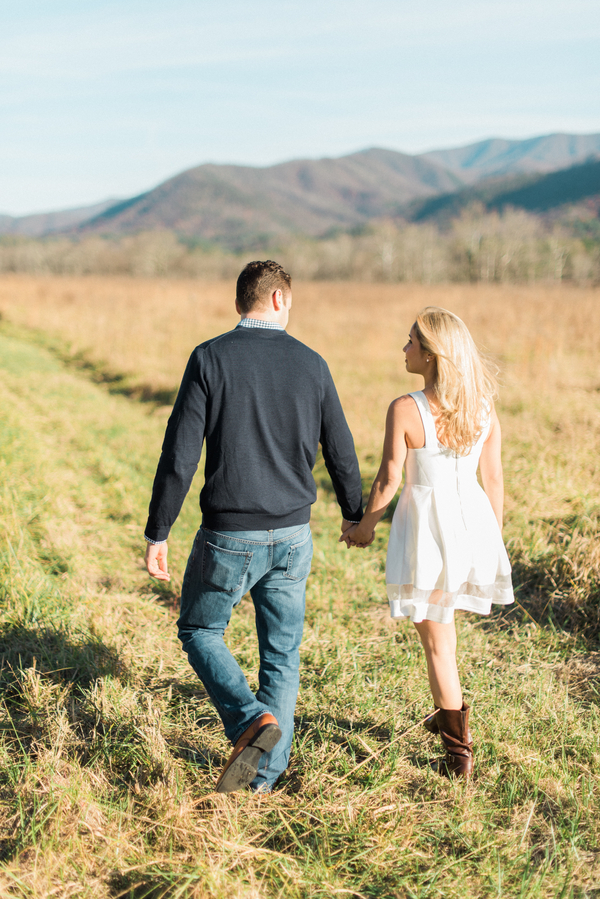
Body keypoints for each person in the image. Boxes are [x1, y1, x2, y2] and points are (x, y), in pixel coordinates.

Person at [144, 261, 363, 794]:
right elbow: (341, 448)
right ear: (281, 300)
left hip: (229, 535)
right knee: (281, 656)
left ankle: (248, 721)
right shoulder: (312, 364)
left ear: (242, 301)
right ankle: (263, 780)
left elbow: (180, 454)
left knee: (199, 630)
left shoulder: (210, 358)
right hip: (293, 535)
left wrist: (159, 529)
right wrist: (354, 512)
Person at [342, 306, 513, 778]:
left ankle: (458, 751)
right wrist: (489, 539)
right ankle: (447, 711)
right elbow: (493, 477)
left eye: (411, 341)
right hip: (472, 525)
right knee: (437, 630)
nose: (404, 348)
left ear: (433, 354)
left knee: (435, 638)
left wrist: (364, 526)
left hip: (430, 534)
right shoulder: (482, 406)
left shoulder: (406, 407)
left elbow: (388, 478)